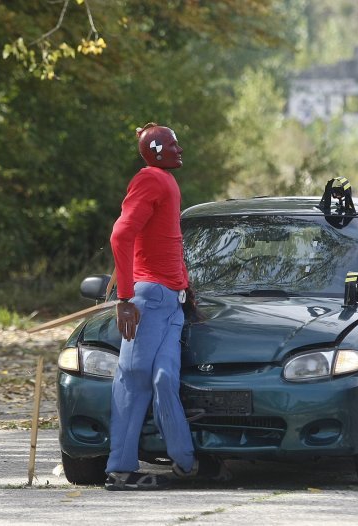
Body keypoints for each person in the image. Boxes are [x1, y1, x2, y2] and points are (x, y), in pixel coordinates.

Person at [105, 123, 219, 491]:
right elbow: (120, 235)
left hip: (171, 300)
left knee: (165, 379)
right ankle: (120, 470)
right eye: (172, 144)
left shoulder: (166, 181)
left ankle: (185, 463)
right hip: (149, 299)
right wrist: (124, 299)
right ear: (156, 151)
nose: (180, 148)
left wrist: (185, 290)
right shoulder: (151, 179)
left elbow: (168, 241)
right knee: (132, 380)